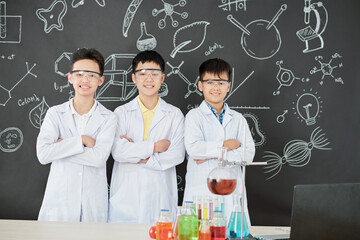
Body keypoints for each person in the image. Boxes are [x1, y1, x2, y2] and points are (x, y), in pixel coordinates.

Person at [36, 48, 116, 222]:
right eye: (79, 74)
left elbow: (98, 158)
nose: (85, 80)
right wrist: (81, 141)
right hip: (59, 204)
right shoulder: (55, 113)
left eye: (92, 75)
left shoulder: (109, 118)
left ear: (100, 80)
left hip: (92, 204)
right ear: (70, 77)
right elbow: (43, 154)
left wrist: (61, 146)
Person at [109, 50, 185, 224]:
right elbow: (118, 151)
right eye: (142, 74)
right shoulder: (121, 113)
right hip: (126, 198)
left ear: (162, 78)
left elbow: (177, 154)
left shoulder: (174, 114)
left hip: (160, 196)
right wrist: (154, 148)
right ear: (134, 78)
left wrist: (138, 154)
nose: (149, 79)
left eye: (154, 74)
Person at [183, 58, 255, 225]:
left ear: (228, 86)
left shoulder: (238, 119)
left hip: (232, 192)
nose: (216, 88)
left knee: (234, 231)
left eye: (221, 83)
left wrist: (210, 155)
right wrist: (226, 145)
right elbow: (194, 149)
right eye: (210, 82)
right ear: (200, 85)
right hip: (201, 192)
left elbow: (248, 154)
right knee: (201, 231)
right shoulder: (193, 116)